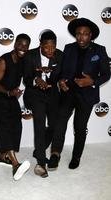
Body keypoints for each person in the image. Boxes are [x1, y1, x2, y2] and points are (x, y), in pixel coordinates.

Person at [48, 18, 110, 170]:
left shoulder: (99, 50)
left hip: (86, 95)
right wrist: (60, 81)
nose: (81, 37)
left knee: (80, 127)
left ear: (91, 36)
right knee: (59, 122)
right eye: (78, 34)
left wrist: (92, 81)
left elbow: (107, 74)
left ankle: (76, 156)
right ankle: (55, 154)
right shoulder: (69, 48)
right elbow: (61, 71)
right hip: (68, 92)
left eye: (85, 34)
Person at [0, 33, 31, 181]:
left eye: (26, 46)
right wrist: (8, 92)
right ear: (15, 44)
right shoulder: (3, 60)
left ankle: (2, 157)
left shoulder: (23, 60)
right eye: (20, 44)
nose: (23, 48)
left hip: (11, 96)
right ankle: (15, 164)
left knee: (16, 125)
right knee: (5, 126)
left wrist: (15, 92)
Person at [23, 30, 63, 177]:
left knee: (54, 125)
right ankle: (40, 162)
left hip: (52, 94)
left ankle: (39, 149)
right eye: (47, 47)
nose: (51, 50)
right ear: (41, 45)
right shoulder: (30, 56)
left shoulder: (60, 55)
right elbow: (26, 79)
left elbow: (61, 76)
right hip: (35, 95)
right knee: (39, 126)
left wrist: (59, 80)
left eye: (53, 47)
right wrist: (36, 80)